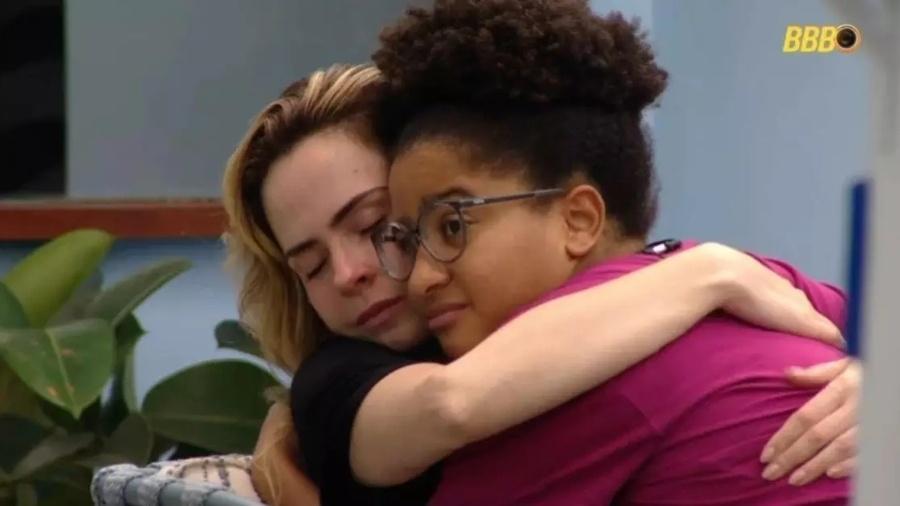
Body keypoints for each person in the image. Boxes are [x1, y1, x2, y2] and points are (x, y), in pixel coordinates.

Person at [221, 65, 858, 505]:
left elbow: (849, 317)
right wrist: (708, 272)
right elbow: (451, 404)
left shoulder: (654, 287)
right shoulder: (339, 381)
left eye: (375, 226)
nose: (348, 273)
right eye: (310, 266)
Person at [368, 1, 853, 504]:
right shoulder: (742, 277)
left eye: (452, 226)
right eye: (408, 242)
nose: (420, 280)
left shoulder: (549, 384)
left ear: (577, 220)